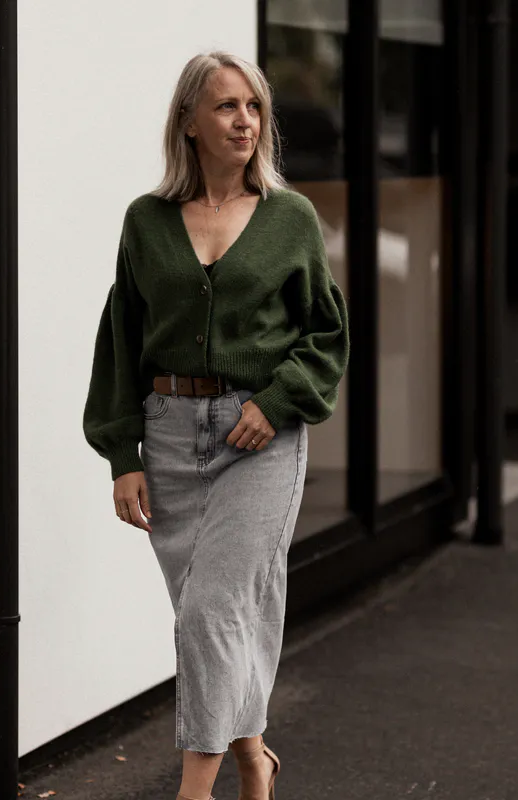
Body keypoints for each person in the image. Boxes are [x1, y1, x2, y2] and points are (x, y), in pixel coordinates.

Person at [83, 51, 350, 800]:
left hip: (258, 436)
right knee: (220, 621)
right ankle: (253, 756)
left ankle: (191, 791)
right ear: (189, 122)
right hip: (167, 435)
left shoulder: (289, 218)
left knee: (212, 613)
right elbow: (120, 337)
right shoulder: (147, 221)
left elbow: (326, 334)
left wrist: (278, 400)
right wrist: (120, 452)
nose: (244, 120)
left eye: (254, 107)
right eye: (227, 106)